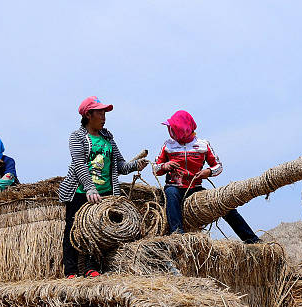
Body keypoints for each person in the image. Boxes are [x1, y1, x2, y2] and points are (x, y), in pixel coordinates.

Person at [57, 96, 148, 277]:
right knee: (73, 229)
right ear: (89, 115)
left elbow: (120, 165)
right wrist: (90, 188)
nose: (104, 116)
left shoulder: (108, 138)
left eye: (105, 112)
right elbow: (79, 164)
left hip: (105, 192)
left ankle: (92, 268)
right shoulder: (77, 137)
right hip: (81, 191)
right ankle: (71, 270)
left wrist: (135, 166)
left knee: (98, 231)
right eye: (100, 112)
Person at [153, 109, 260, 244]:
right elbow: (155, 168)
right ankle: (178, 236)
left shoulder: (203, 145)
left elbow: (218, 166)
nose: (170, 131)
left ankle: (251, 239)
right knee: (171, 194)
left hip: (196, 188)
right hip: (175, 186)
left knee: (223, 203)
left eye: (173, 128)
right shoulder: (168, 145)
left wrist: (208, 172)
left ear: (183, 129)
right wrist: (165, 166)